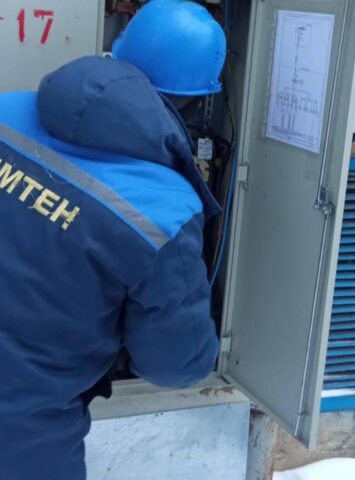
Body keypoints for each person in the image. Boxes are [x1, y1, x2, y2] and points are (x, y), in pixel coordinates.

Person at [0, 1, 227, 479]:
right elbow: (175, 363)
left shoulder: (6, 109)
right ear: (194, 100)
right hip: (24, 432)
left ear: (119, 46)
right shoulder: (165, 211)